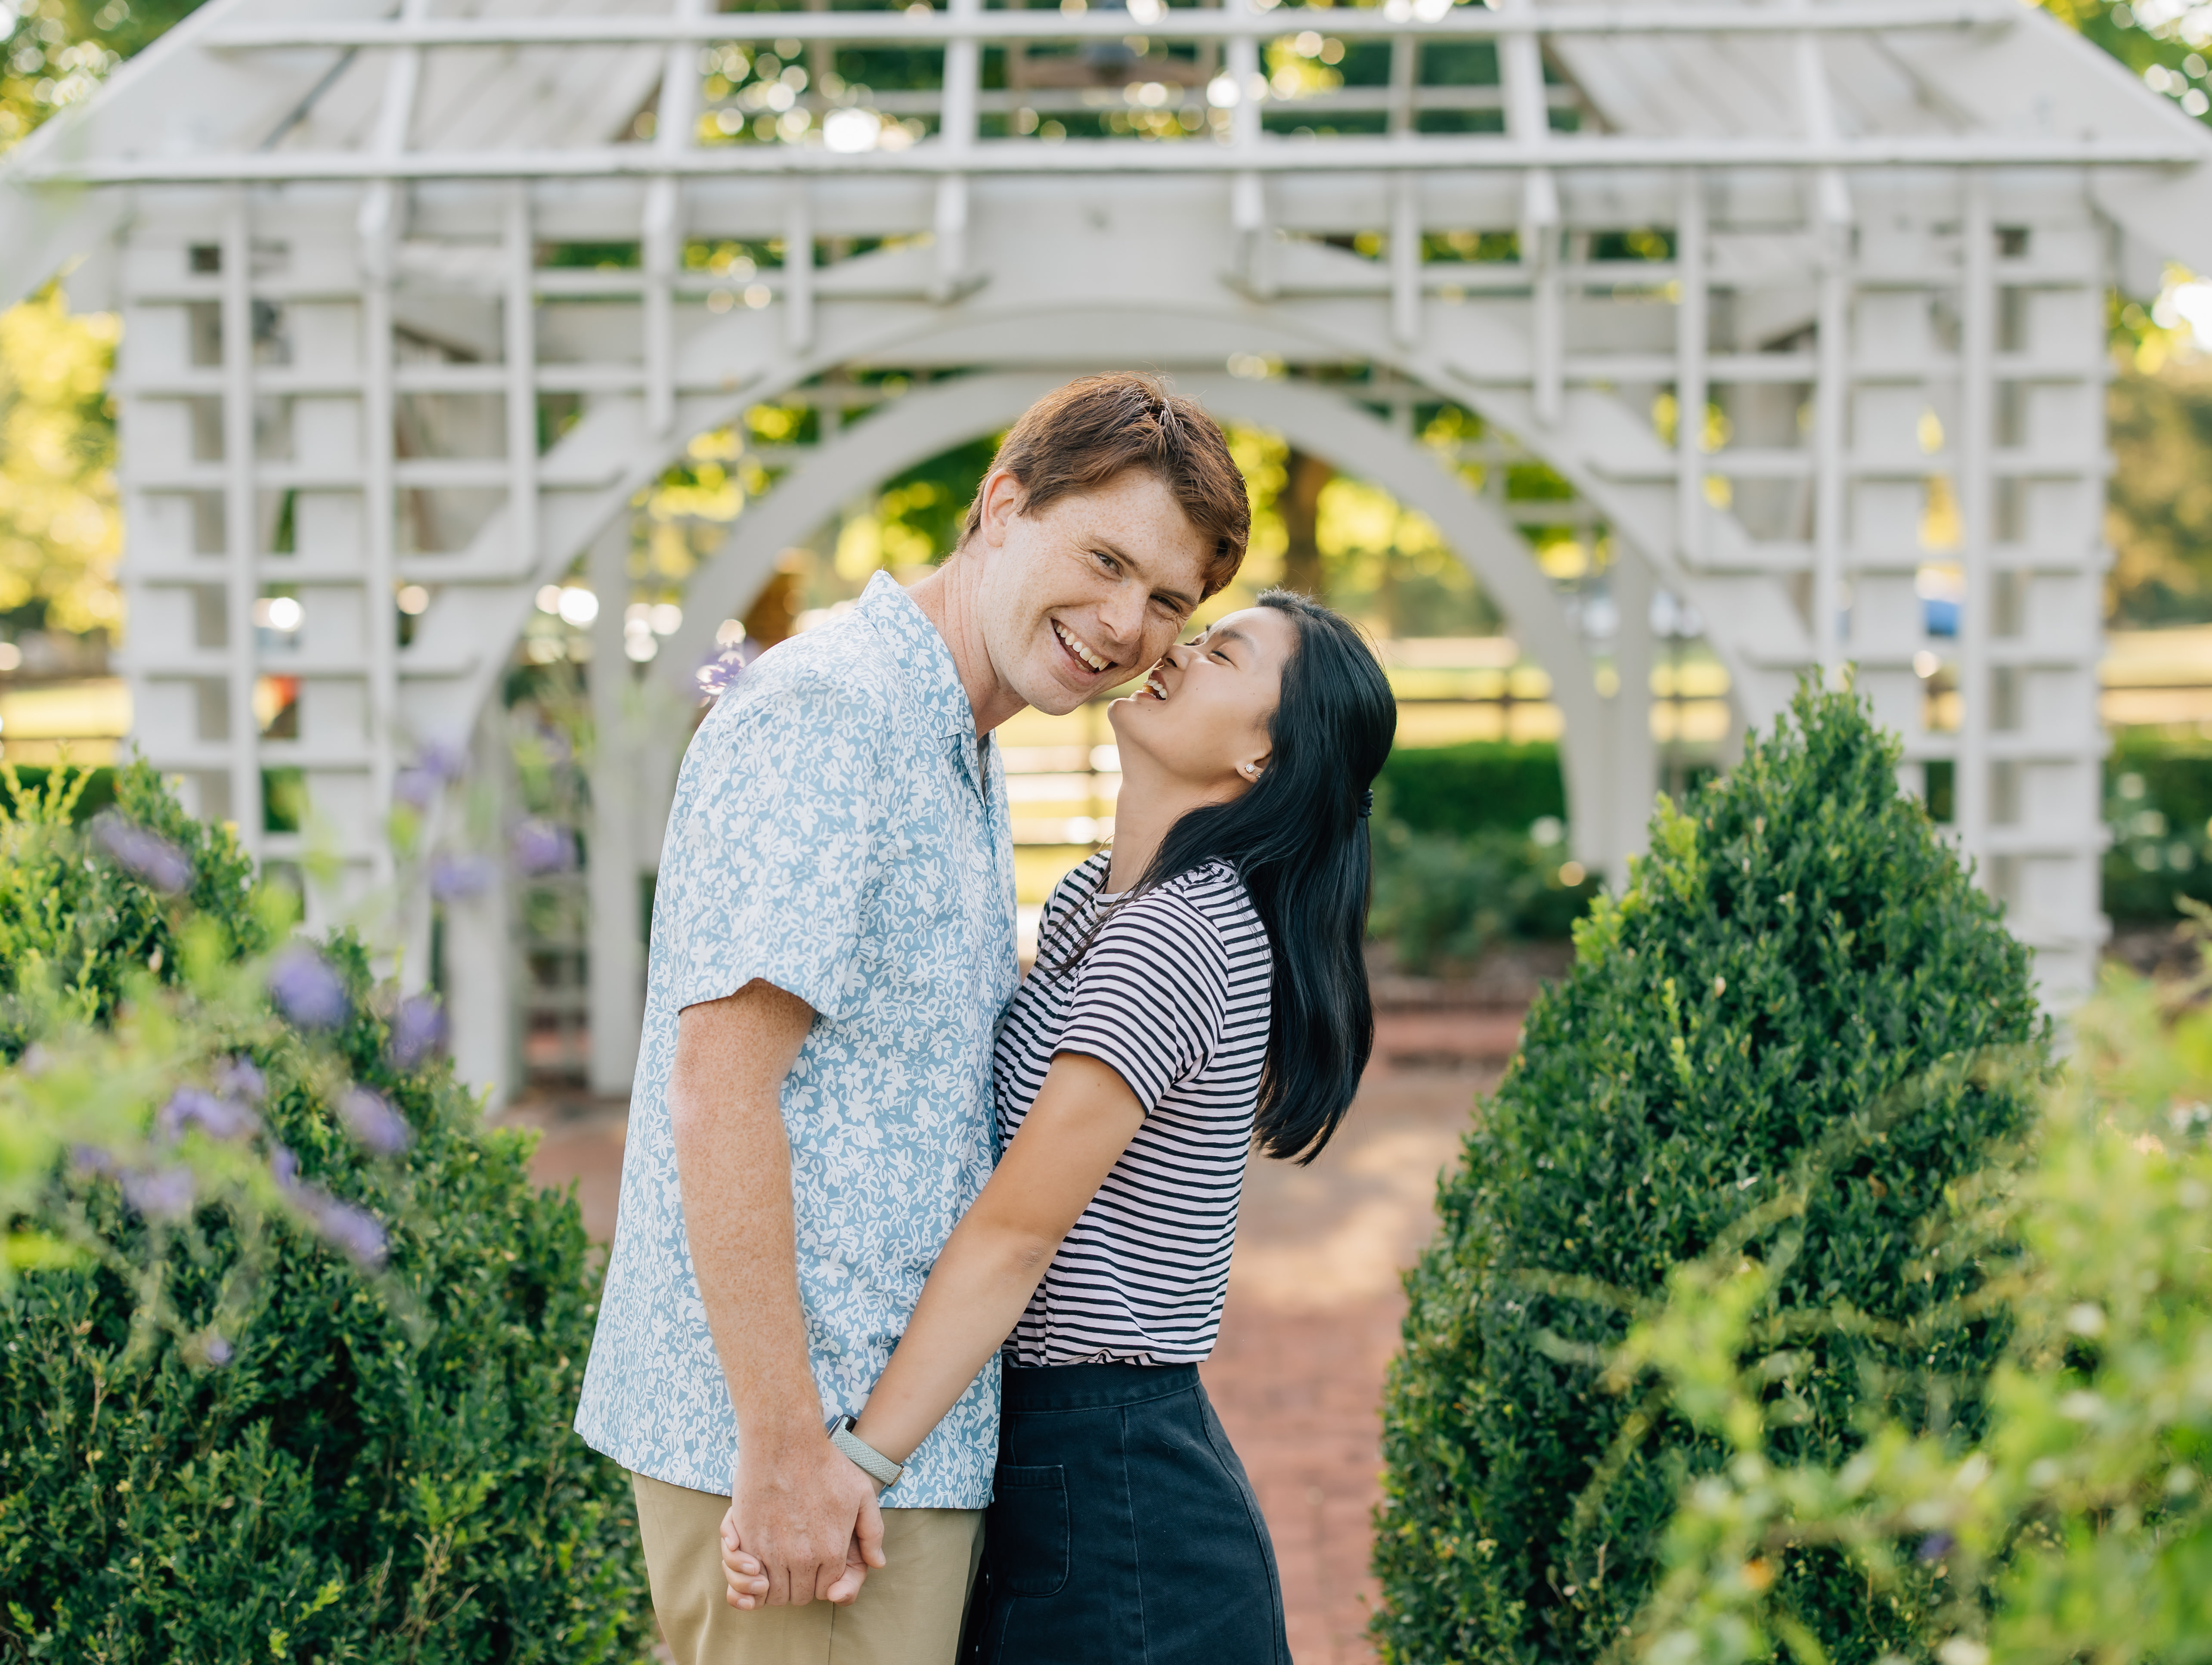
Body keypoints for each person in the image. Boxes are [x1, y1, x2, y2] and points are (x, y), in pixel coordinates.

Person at [572, 373, 1252, 1665]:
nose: (1125, 624)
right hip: (805, 1464)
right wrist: (781, 1452)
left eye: (1168, 600)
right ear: (1002, 505)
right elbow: (718, 1093)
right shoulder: (836, 714)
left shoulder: (952, 729)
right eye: (1104, 559)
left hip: (877, 1455)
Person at [721, 589, 1400, 1663]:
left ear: (1265, 757)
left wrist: (853, 1464)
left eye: (1222, 653)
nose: (1172, 648)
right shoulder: (1100, 898)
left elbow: (1017, 1232)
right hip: (1058, 1463)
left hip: (1120, 1493)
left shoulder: (1180, 936)